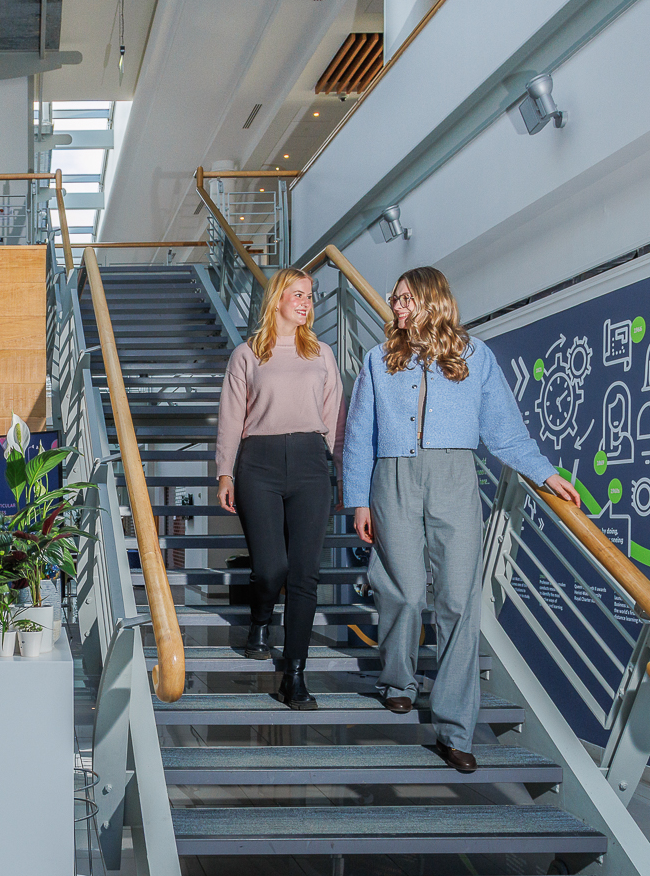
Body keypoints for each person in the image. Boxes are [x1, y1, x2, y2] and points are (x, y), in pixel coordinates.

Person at [340, 267, 579, 773]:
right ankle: (397, 680)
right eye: (394, 299)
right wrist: (359, 499)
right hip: (394, 476)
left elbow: (506, 431)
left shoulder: (476, 357)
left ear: (432, 300)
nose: (395, 307)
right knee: (403, 590)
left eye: (404, 299)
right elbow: (360, 433)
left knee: (457, 601)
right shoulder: (379, 360)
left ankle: (455, 729)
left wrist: (543, 472)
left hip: (455, 479)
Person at [216, 267, 343, 709]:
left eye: (310, 295)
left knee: (305, 574)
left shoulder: (322, 354)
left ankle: (295, 674)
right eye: (298, 294)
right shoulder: (247, 355)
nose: (306, 302)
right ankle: (260, 618)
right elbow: (232, 418)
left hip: (311, 463)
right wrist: (225, 472)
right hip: (259, 465)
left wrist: (339, 470)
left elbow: (334, 419)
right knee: (270, 569)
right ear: (277, 300)